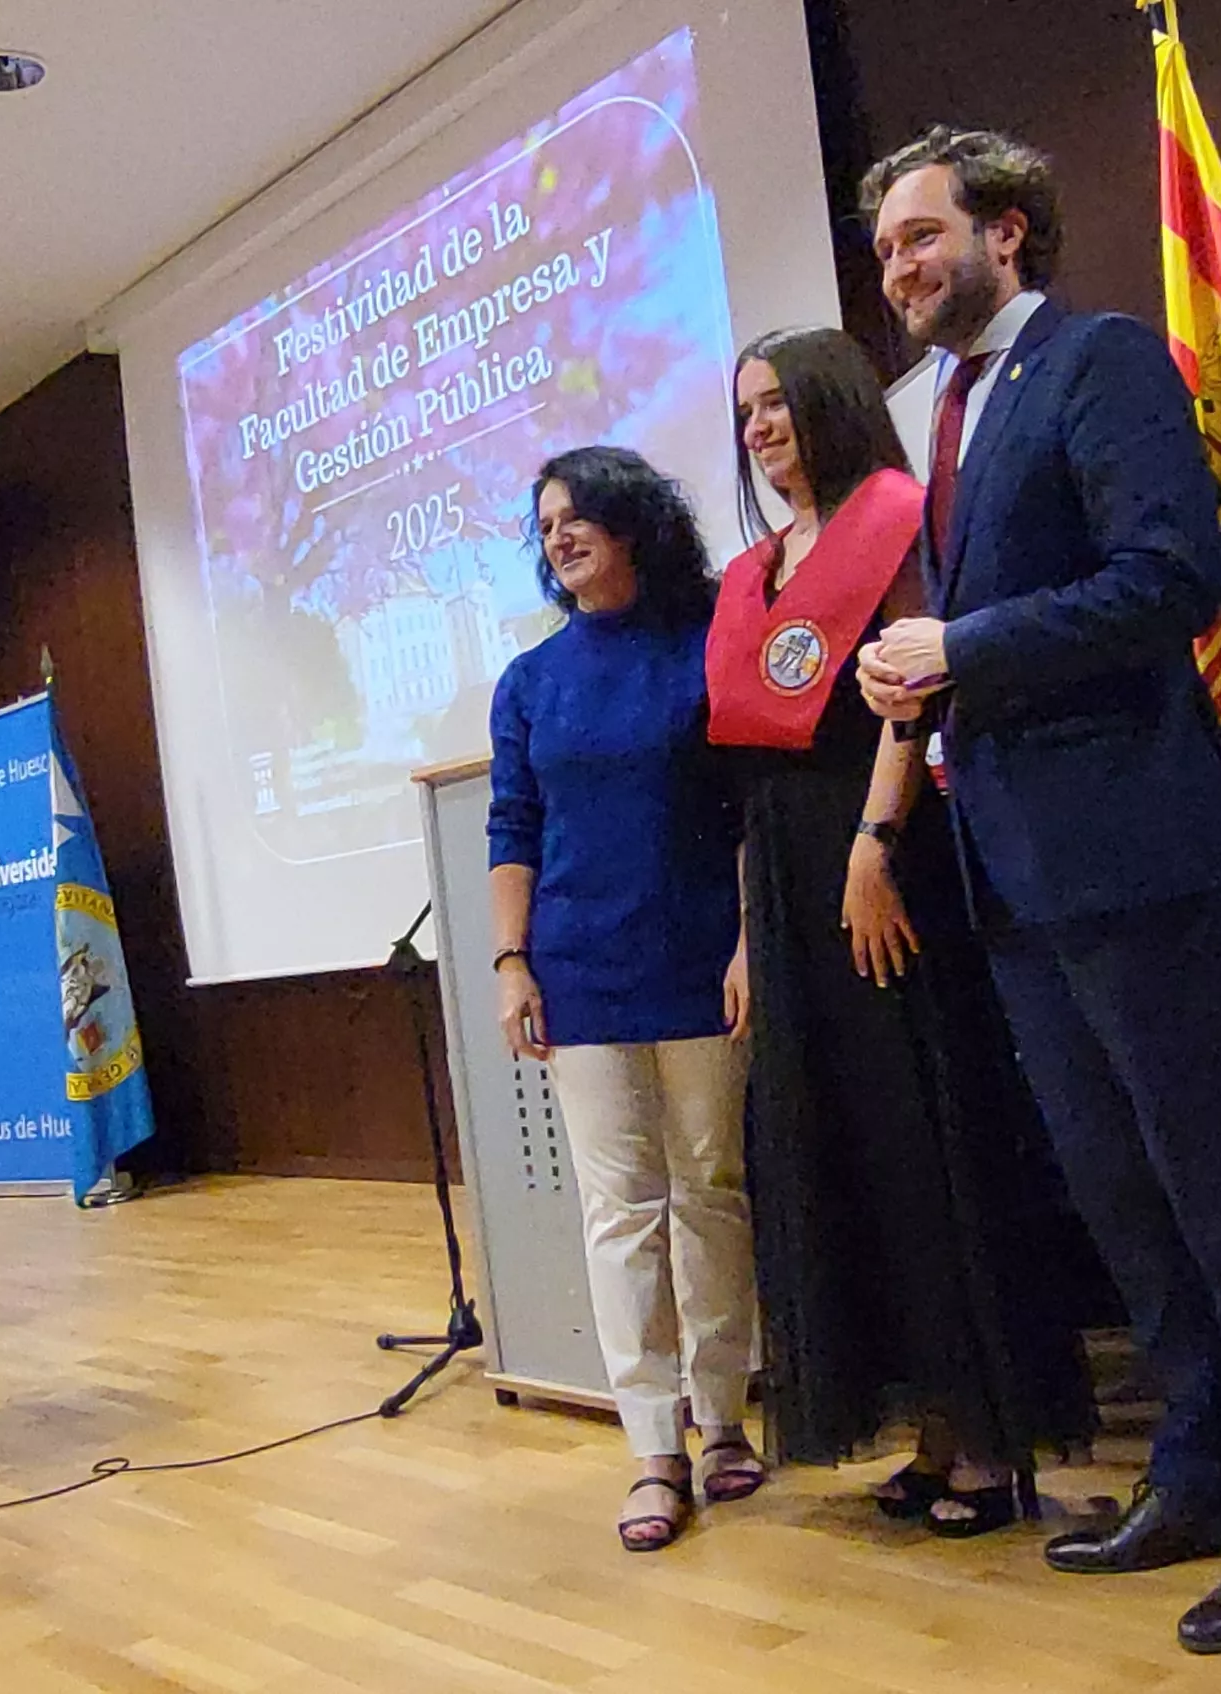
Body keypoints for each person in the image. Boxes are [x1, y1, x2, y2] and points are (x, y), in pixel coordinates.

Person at [853, 126, 1221, 1652]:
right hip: (1014, 870)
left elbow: (1170, 580)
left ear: (1009, 230)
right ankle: (1200, 1473)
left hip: (1138, 852)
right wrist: (926, 665)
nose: (899, 268)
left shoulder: (1101, 362)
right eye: (886, 247)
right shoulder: (946, 412)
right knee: (1124, 1201)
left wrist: (963, 645)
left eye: (921, 235)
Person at [706, 327, 1098, 1537]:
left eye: (777, 404)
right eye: (746, 414)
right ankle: (926, 1430)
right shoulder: (753, 570)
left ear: (827, 401)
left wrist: (876, 846)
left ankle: (983, 1439)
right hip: (785, 881)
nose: (761, 427)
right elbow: (742, 767)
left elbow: (911, 695)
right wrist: (742, 938)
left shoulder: (898, 516)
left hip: (885, 856)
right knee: (842, 1150)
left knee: (921, 1134)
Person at [488, 445, 756, 1554]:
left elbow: (749, 804)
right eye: (544, 525)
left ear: (632, 522)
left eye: (577, 515)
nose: (558, 536)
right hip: (578, 965)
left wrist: (751, 938)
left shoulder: (708, 643)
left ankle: (724, 1421)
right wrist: (511, 961)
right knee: (619, 1209)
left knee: (711, 1187)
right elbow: (513, 827)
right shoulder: (529, 680)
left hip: (699, 954)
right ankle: (652, 1443)